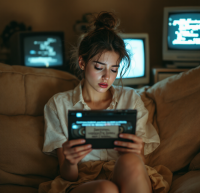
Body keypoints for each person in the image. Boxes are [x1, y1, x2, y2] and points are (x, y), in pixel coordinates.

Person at [42, 11, 160, 193]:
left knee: (130, 160)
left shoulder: (131, 99)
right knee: (106, 189)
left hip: (125, 173)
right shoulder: (58, 105)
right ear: (82, 62)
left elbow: (140, 165)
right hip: (81, 181)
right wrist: (71, 161)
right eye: (99, 67)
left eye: (114, 69)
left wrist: (138, 152)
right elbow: (68, 175)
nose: (107, 77)